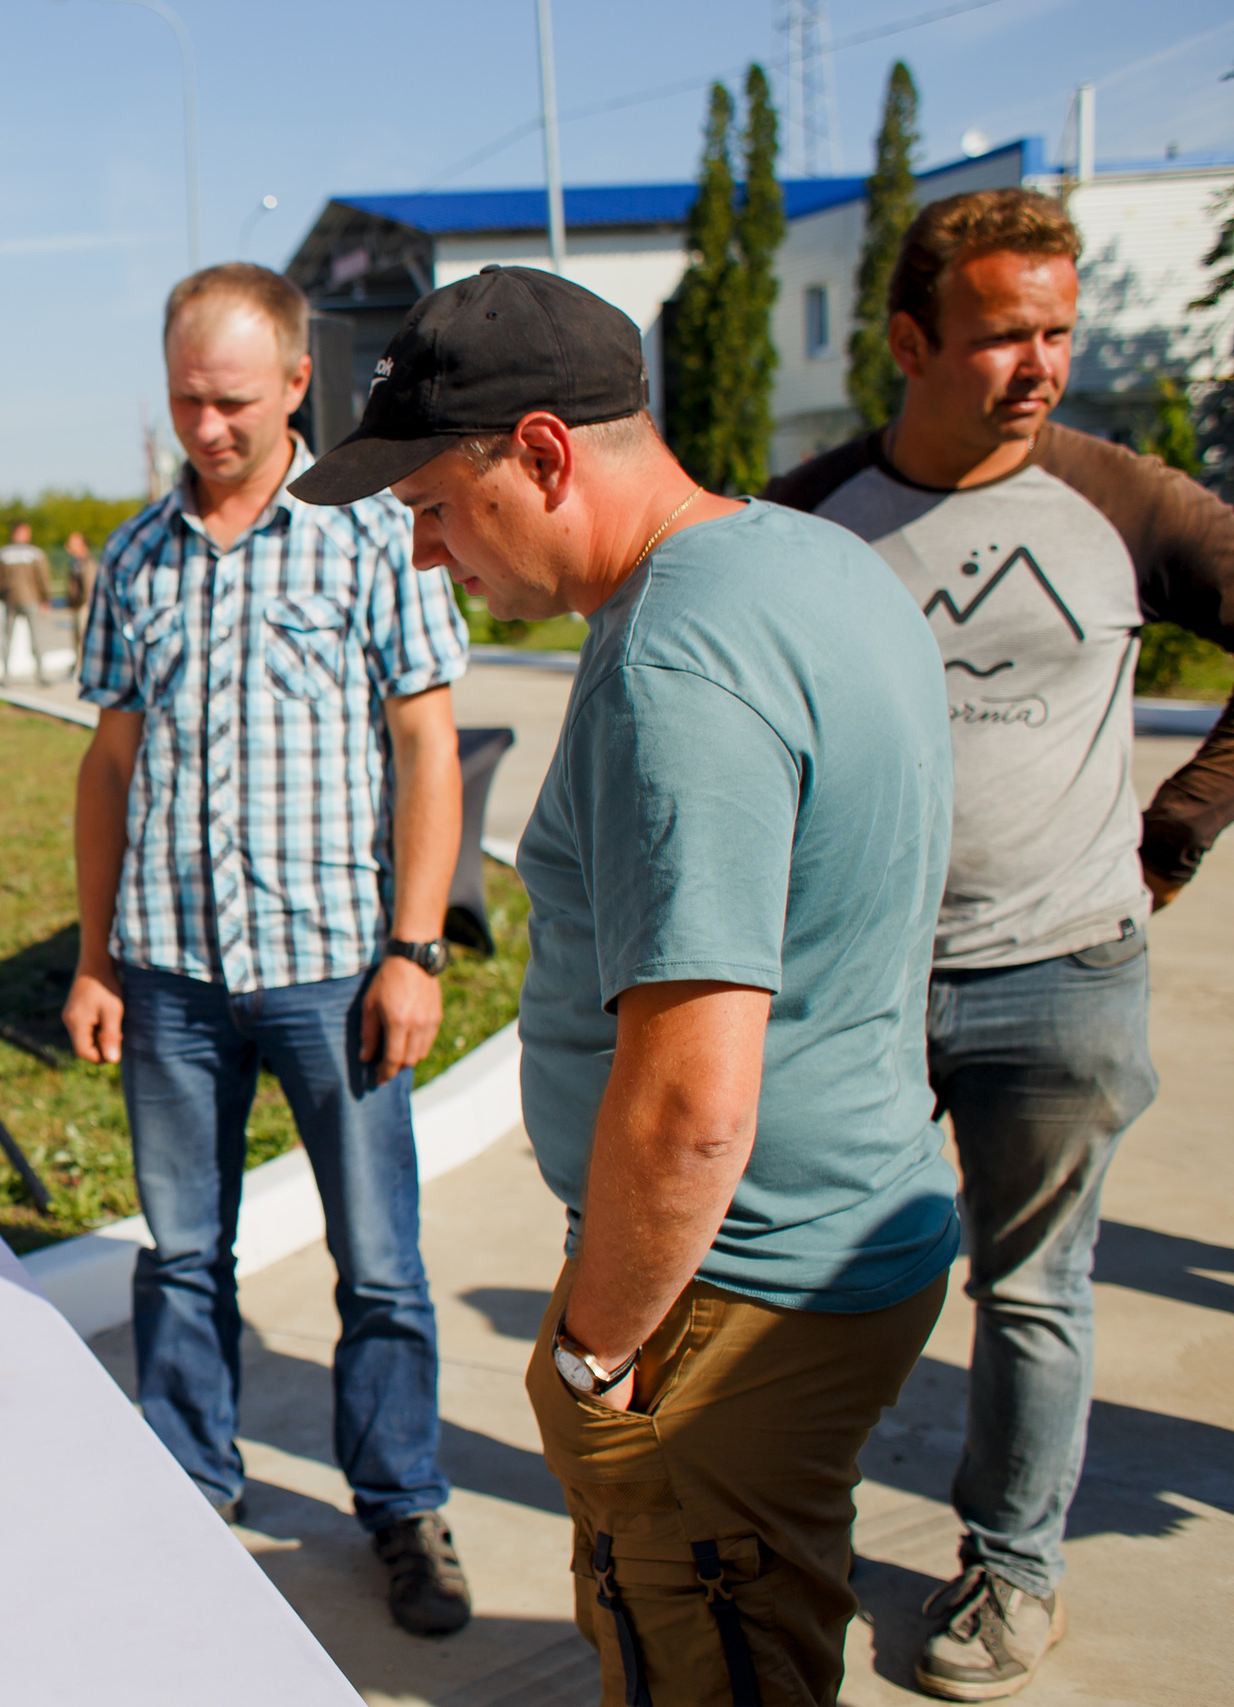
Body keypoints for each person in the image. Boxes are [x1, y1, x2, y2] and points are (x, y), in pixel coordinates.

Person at [296, 263, 960, 1704]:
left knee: (701, 1650)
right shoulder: (806, 558)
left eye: (427, 510)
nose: (422, 558)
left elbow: (690, 1107)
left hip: (733, 1294)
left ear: (539, 454)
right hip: (832, 1236)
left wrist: (595, 1354)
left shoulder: (678, 658)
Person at [763, 188, 1234, 1701]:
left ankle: (1012, 1569)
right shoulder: (810, 517)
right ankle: (793, 1547)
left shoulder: (1126, 500)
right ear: (908, 339)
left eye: (1057, 331)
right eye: (1001, 336)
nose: (1039, 364)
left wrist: (1181, 824)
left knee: (1035, 1289)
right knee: (825, 1277)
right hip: (863, 983)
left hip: (1064, 972)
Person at [65, 262, 473, 1636]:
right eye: (185, 396)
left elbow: (428, 742)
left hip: (332, 969)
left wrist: (414, 946)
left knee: (380, 1263)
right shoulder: (134, 560)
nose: (207, 425)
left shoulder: (373, 535)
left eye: (233, 398)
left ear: (299, 383)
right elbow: (106, 769)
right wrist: (96, 954)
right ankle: (190, 1479)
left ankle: (403, 1502)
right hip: (172, 973)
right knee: (182, 1253)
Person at [0, 520, 57, 684]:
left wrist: (0, 595)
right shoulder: (35, 553)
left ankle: (6, 675)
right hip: (30, 599)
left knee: (9, 638)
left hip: (11, 600)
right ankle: (40, 674)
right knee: (36, 637)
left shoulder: (3, 553)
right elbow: (43, 578)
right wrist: (45, 598)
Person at [63, 528, 96, 655]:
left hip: (84, 606)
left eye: (72, 543)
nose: (68, 546)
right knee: (77, 639)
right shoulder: (75, 563)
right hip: (78, 606)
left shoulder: (87, 563)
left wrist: (82, 603)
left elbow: (89, 588)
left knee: (84, 639)